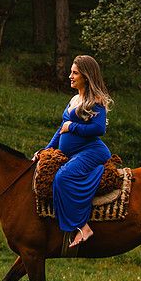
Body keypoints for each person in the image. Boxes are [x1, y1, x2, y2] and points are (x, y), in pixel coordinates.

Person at [36, 55, 114, 248]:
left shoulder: (96, 100)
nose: (70, 76)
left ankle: (84, 227)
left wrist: (72, 127)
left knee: (63, 177)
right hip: (76, 153)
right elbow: (61, 129)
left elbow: (99, 129)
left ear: (86, 76)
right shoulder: (74, 99)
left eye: (75, 73)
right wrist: (46, 151)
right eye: (71, 72)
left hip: (92, 151)